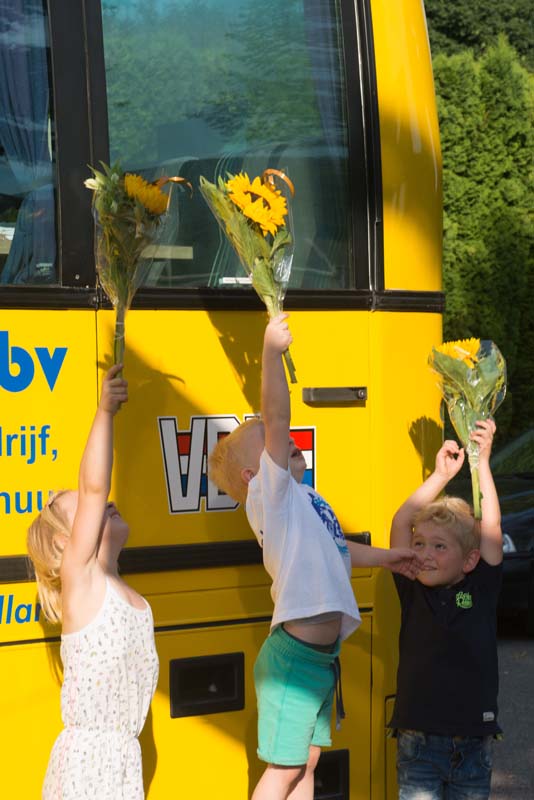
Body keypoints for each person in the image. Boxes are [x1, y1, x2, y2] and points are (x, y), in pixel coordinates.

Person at [209, 313, 422, 800]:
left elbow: (339, 550)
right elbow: (277, 416)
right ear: (253, 476)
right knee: (284, 769)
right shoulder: (273, 495)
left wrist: (389, 557)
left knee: (306, 764)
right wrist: (270, 353)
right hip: (294, 661)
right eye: (270, 444)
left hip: (321, 659)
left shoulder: (304, 499)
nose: (285, 441)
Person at [27, 364, 159, 800]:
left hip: (122, 764)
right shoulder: (82, 583)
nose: (106, 503)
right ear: (67, 542)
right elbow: (94, 486)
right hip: (87, 769)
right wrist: (104, 412)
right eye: (84, 511)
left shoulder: (126, 593)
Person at [389, 420, 503, 800]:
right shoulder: (411, 585)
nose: (425, 554)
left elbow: (491, 524)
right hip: (418, 746)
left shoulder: (479, 590)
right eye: (419, 544)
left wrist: (481, 463)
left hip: (473, 748)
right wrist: (439, 476)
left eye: (440, 547)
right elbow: (402, 520)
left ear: (470, 560)